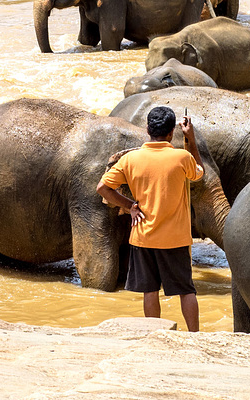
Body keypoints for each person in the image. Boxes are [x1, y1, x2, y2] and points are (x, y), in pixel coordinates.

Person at [96, 106, 204, 332]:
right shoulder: (182, 157)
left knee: (150, 290)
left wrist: (130, 206)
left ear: (147, 129)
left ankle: (156, 334)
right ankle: (195, 336)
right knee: (186, 290)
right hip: (176, 239)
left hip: (143, 237)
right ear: (171, 133)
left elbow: (103, 187)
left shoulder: (130, 159)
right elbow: (199, 172)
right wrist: (191, 139)